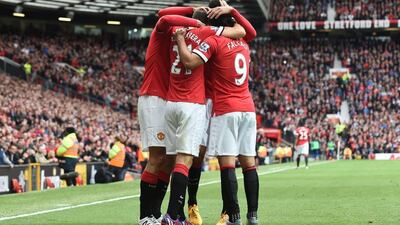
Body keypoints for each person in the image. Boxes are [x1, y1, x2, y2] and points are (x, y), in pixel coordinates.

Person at [174, 1, 259, 224]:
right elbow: (246, 30)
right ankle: (192, 204)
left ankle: (228, 213)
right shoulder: (229, 36)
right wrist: (228, 9)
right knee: (198, 155)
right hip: (211, 102)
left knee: (225, 161)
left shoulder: (214, 36)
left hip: (221, 104)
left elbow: (244, 30)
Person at [138, 7, 205, 225]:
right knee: (157, 158)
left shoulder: (180, 39)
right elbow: (163, 14)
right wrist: (194, 14)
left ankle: (156, 214)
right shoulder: (162, 32)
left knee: (168, 162)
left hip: (167, 101)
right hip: (153, 98)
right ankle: (144, 217)